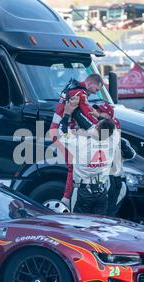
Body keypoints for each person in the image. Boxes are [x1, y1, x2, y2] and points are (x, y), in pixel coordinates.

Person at [50, 74, 105, 207]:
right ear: (91, 83)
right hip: (62, 131)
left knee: (73, 165)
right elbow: (88, 113)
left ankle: (68, 197)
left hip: (57, 130)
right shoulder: (80, 93)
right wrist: (102, 123)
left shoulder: (71, 88)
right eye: (97, 89)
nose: (96, 92)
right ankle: (67, 199)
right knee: (73, 166)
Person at [57, 102, 119, 215]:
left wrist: (66, 114)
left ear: (96, 129)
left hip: (83, 192)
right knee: (98, 227)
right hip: (102, 193)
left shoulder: (81, 142)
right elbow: (113, 127)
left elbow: (61, 133)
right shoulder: (113, 141)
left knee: (78, 226)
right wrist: (99, 116)